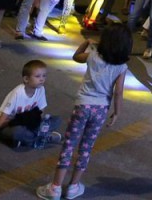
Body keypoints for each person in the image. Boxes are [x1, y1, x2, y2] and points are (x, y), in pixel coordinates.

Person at [36, 23, 132, 199]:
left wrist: (87, 42)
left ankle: (55, 187)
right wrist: (117, 112)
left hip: (82, 106)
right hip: (101, 110)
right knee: (86, 147)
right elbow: (118, 92)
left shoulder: (93, 56)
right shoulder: (121, 67)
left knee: (69, 144)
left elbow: (76, 56)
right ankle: (73, 186)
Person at [0, 59, 62, 150]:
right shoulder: (17, 93)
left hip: (28, 122)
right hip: (10, 124)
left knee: (56, 120)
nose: (42, 79)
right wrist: (20, 122)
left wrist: (34, 122)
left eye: (44, 76)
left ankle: (29, 138)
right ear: (26, 79)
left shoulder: (41, 89)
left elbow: (40, 112)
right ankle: (40, 138)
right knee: (18, 132)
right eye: (37, 76)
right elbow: (0, 123)